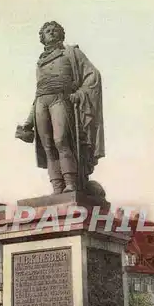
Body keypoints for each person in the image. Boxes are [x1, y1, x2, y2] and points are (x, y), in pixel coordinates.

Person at [16, 21, 105, 194]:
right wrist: (28, 121)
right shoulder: (40, 63)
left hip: (61, 99)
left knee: (61, 140)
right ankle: (57, 187)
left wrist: (80, 93)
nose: (51, 33)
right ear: (42, 37)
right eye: (47, 31)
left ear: (61, 34)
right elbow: (39, 92)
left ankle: (71, 183)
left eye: (54, 30)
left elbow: (93, 75)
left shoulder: (72, 53)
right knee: (48, 145)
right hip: (42, 102)